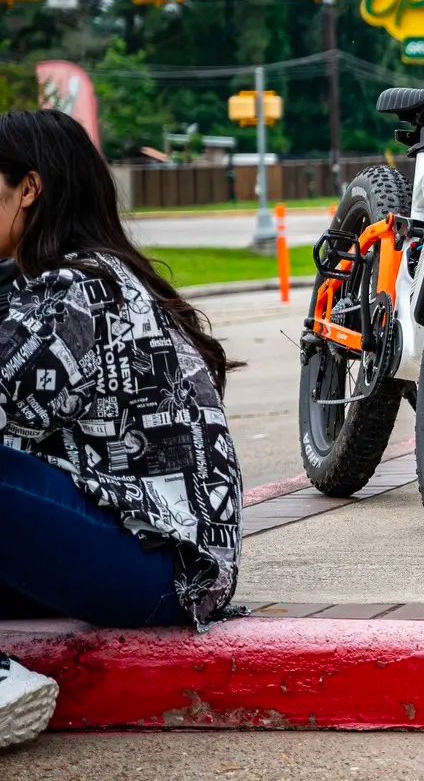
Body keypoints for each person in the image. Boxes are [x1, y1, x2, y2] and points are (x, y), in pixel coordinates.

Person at [0, 110, 242, 748]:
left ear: (28, 187)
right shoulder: (50, 282)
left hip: (160, 565)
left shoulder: (78, 291)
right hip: (121, 546)